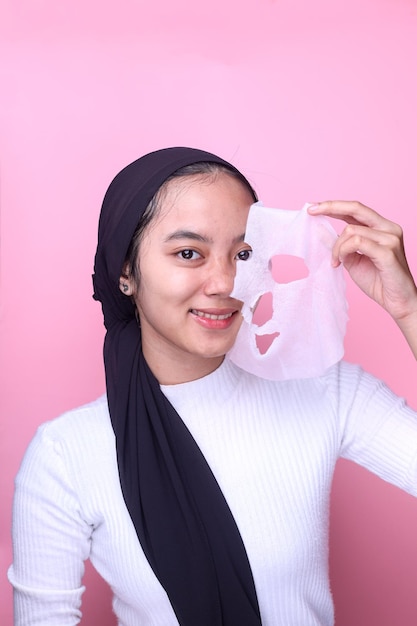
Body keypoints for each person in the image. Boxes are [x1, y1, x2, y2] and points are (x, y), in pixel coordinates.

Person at [8, 146, 417, 626]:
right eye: (188, 253)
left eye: (243, 253)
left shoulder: (325, 391)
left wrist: (408, 309)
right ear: (125, 272)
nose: (225, 281)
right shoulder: (67, 453)